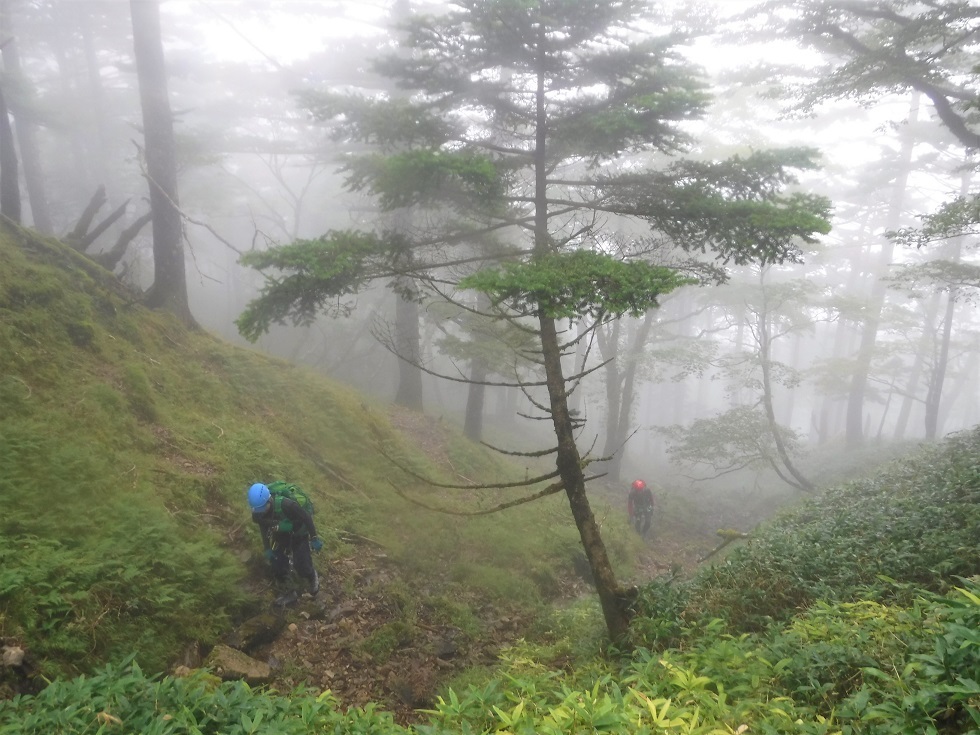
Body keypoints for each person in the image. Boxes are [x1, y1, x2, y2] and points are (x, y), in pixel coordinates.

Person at [247, 482, 322, 595]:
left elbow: (306, 518)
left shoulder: (286, 504)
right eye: (258, 510)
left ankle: (311, 575)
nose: (260, 512)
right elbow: (263, 527)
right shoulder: (258, 512)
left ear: (269, 500)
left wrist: (314, 538)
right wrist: (267, 548)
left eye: (262, 508)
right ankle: (287, 585)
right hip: (280, 533)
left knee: (302, 566)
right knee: (277, 563)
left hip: (298, 532)